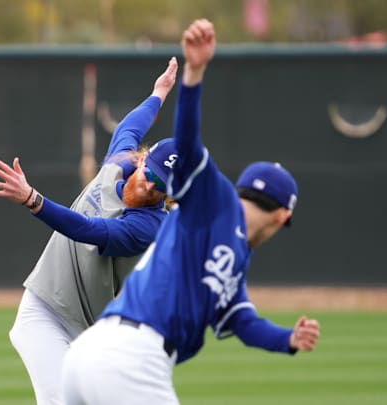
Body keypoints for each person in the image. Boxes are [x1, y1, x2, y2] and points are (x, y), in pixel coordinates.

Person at [61, 19, 321, 405]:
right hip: (132, 358)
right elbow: (187, 143)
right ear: (283, 217)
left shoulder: (234, 255)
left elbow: (240, 322)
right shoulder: (213, 199)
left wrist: (287, 340)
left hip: (90, 355)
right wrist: (194, 75)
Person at [0, 57, 179, 405]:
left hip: (91, 334)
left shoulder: (147, 226)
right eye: (150, 174)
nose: (151, 187)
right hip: (44, 312)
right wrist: (158, 92)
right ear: (140, 160)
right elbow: (131, 128)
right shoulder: (119, 162)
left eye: (162, 187)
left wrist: (33, 199)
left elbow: (86, 229)